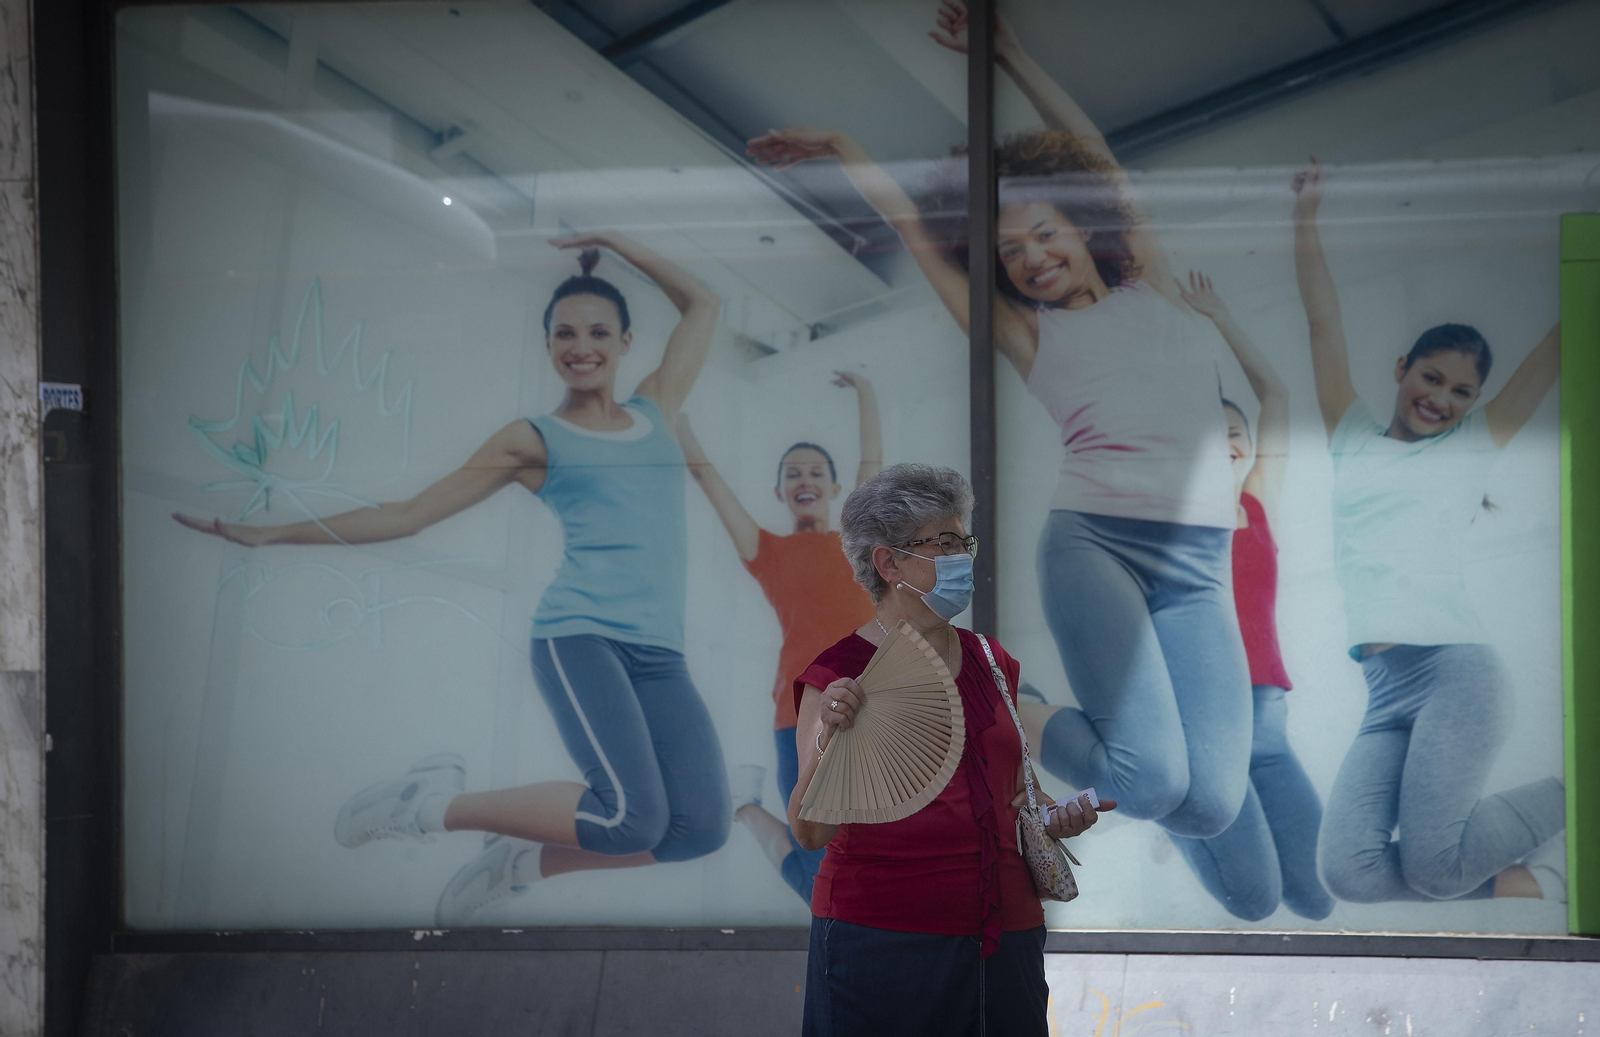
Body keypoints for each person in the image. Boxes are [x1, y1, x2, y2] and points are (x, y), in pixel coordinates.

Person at [751, 0, 1250, 840]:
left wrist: (1013, 56)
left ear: (1083, 224)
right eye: (1011, 252)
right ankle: (1010, 699)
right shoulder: (1030, 335)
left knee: (1209, 806)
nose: (1033, 258)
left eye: (1044, 234)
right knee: (1156, 782)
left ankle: (1021, 708)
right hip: (1097, 542)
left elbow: (1093, 152)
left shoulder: (1150, 284)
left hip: (1199, 557)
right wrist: (847, 152)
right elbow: (912, 229)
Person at [175, 232, 730, 923]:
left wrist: (616, 243)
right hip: (581, 637)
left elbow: (703, 303)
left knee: (700, 828)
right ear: (548, 344)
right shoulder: (530, 439)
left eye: (596, 331)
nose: (579, 345)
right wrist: (275, 531)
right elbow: (411, 513)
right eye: (563, 333)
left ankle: (517, 863)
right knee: (632, 817)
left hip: (660, 654)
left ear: (624, 340)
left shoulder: (657, 409)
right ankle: (427, 805)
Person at [1292, 160, 1566, 903]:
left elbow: (1548, 358)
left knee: (1435, 866)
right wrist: (1305, 221)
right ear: (1402, 367)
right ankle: (1513, 880)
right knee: (1348, 870)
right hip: (1385, 689)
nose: (1440, 398)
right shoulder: (1350, 434)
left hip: (1454, 675)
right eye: (1432, 377)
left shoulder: (1469, 448)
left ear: (1475, 404)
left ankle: (1576, 794)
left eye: (1462, 392)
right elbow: (1323, 322)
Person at [791, 463, 1114, 1037]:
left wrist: (1054, 816)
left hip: (1005, 931)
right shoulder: (840, 673)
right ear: (887, 563)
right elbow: (809, 832)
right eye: (941, 543)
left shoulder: (993, 660)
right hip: (883, 936)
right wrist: (828, 740)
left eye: (962, 540)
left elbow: (1017, 794)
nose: (962, 558)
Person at [674, 372, 881, 903]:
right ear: (780, 491)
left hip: (872, 705)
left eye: (815, 472)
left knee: (871, 851)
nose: (804, 478)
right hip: (800, 712)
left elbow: (872, 466)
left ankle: (745, 807)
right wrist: (678, 423)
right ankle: (745, 808)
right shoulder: (767, 552)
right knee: (818, 873)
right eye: (793, 473)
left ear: (835, 489)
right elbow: (707, 480)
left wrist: (865, 394)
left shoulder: (855, 544)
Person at [1167, 272, 1335, 921]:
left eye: (1234, 429)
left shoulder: (1256, 501)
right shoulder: (1169, 519)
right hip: (1206, 725)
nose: (1229, 437)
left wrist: (1219, 315)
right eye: (1211, 430)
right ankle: (1164, 800)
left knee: (1318, 895)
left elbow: (1279, 395)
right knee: (1255, 899)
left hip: (1268, 726)